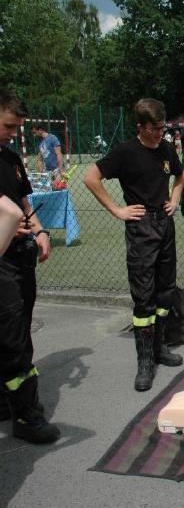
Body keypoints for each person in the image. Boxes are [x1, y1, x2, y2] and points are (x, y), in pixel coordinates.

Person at [84, 98, 184, 392]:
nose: (159, 133)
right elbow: (92, 178)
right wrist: (117, 210)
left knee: (166, 291)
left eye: (162, 127)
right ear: (140, 126)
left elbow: (180, 176)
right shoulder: (126, 152)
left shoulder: (167, 148)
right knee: (144, 297)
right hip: (140, 228)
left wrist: (175, 200)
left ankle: (160, 347)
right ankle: (144, 362)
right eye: (154, 129)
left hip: (165, 225)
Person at [0, 90, 60, 444]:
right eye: (8, 125)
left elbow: (23, 200)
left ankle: (9, 401)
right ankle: (26, 415)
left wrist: (39, 231)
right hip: (2, 261)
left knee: (19, 327)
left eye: (17, 127)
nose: (13, 132)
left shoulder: (10, 159)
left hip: (20, 257)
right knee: (13, 338)